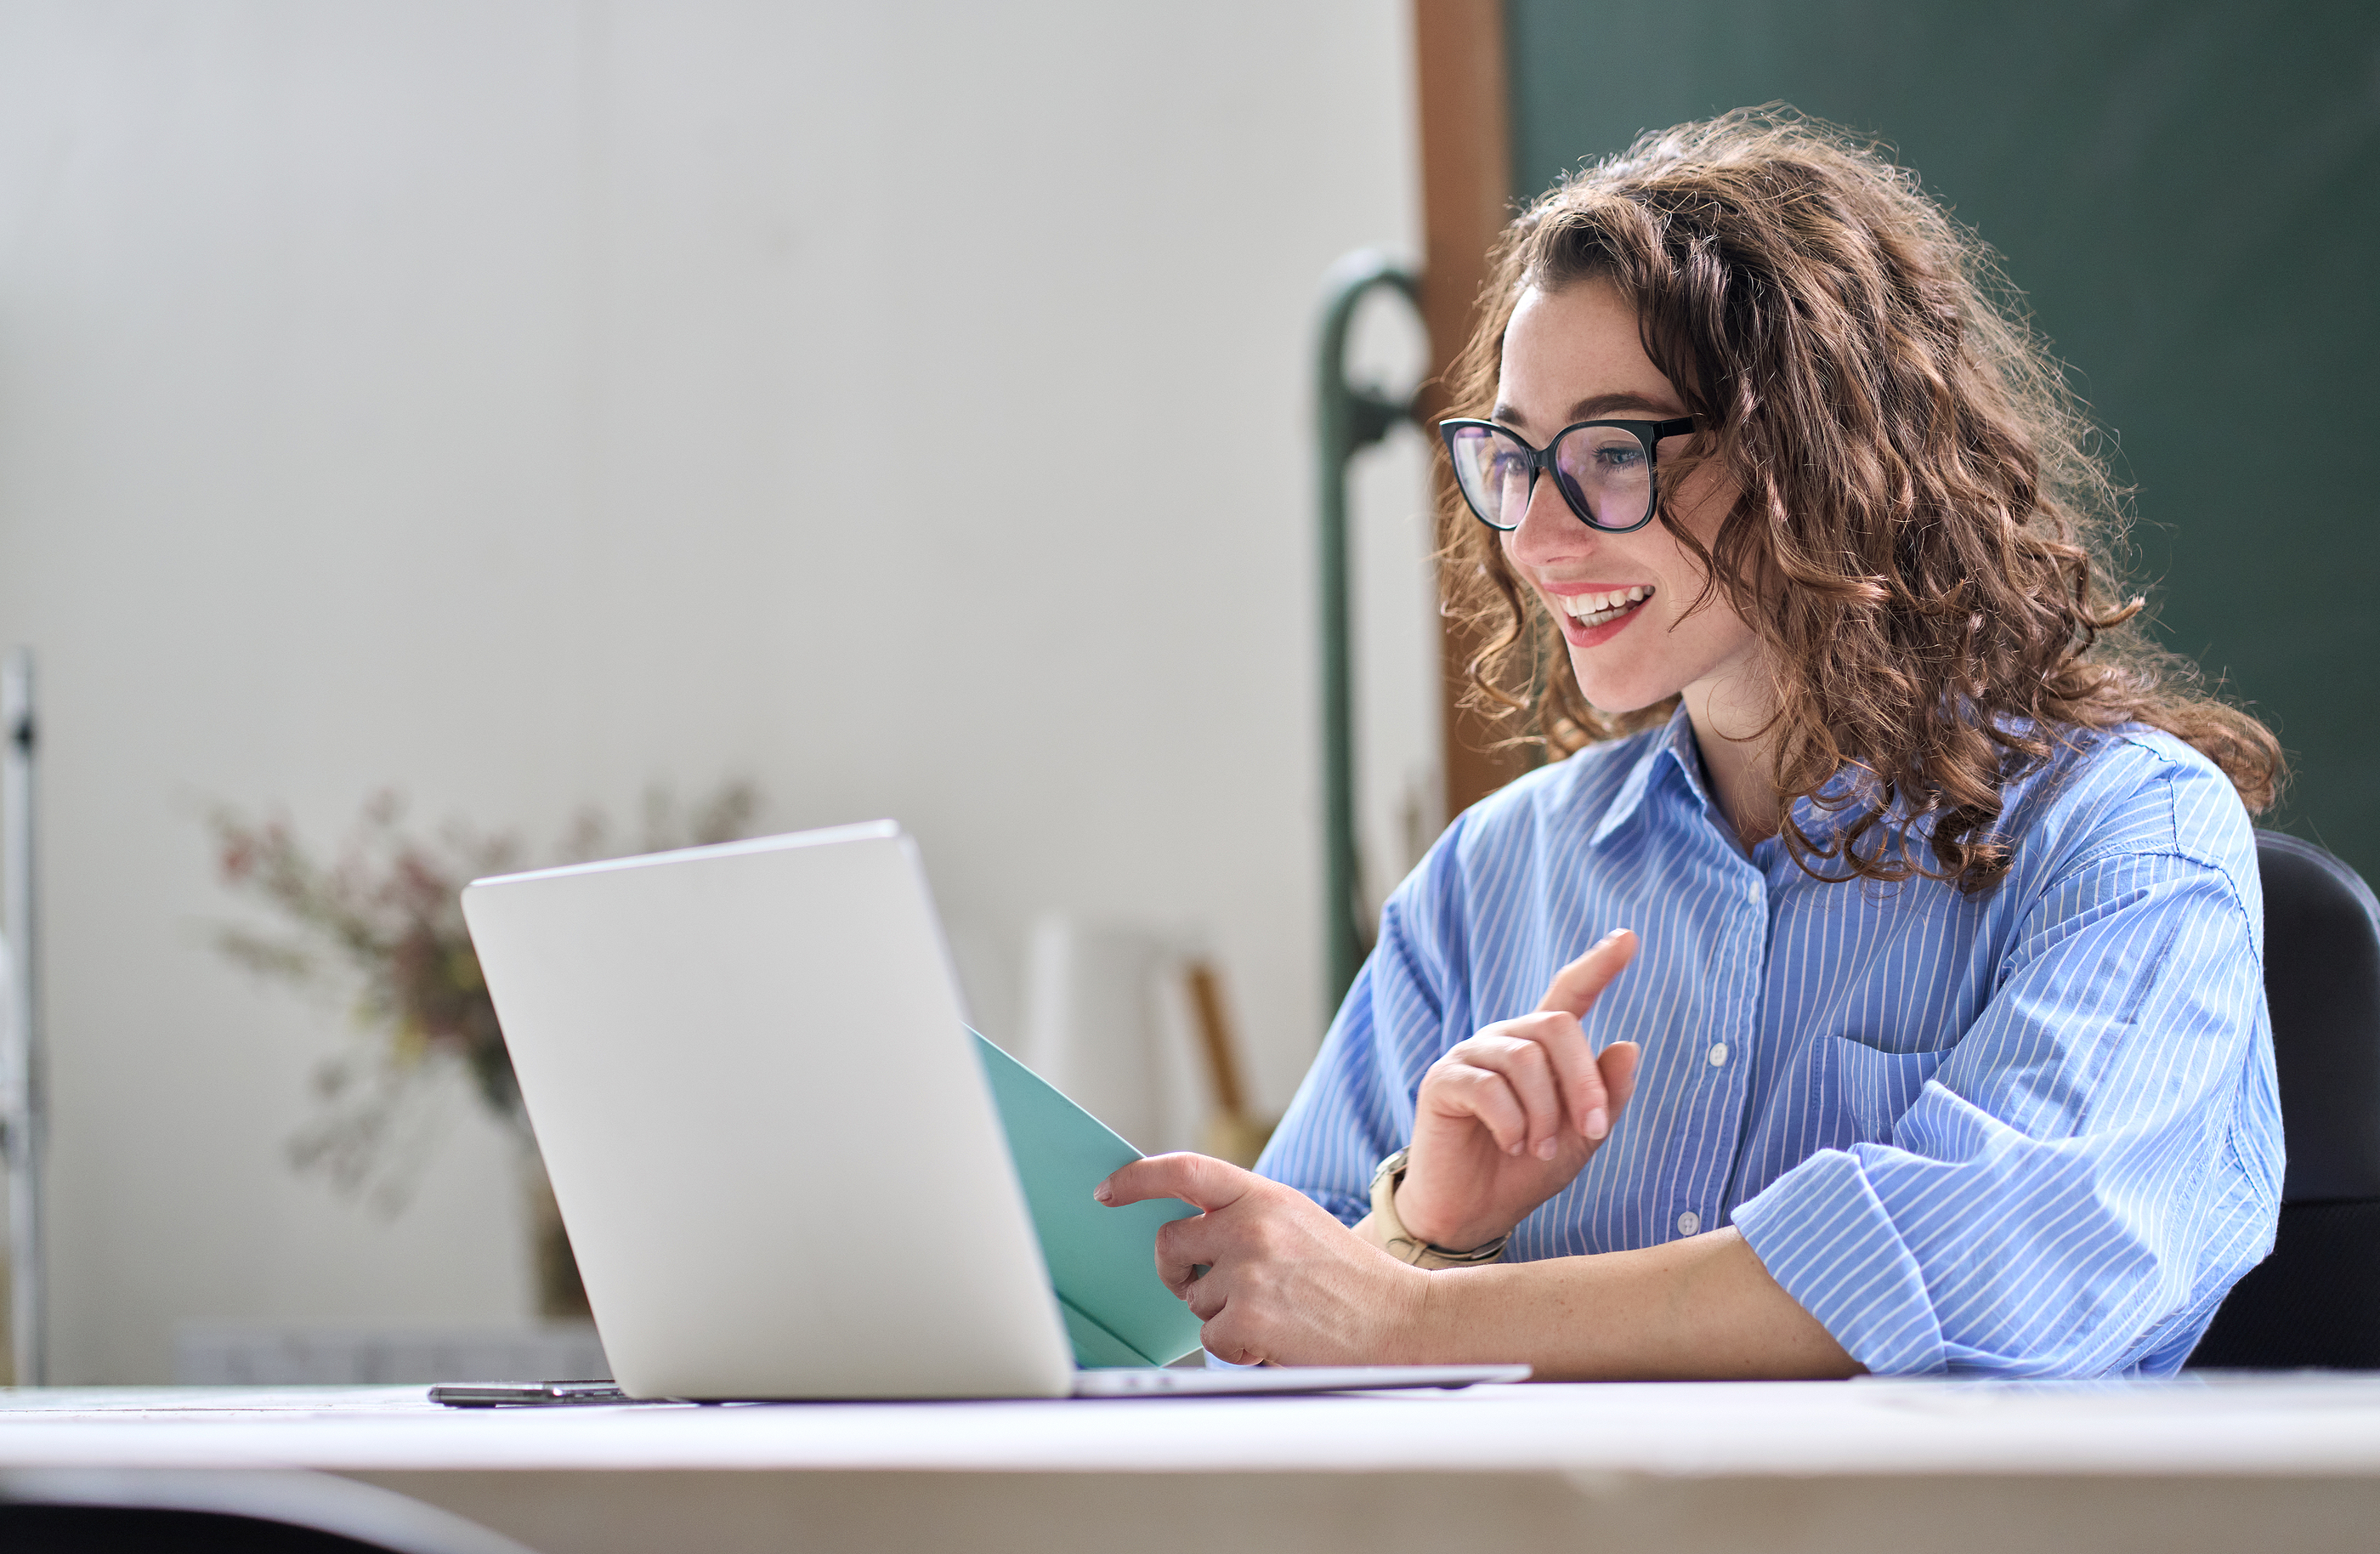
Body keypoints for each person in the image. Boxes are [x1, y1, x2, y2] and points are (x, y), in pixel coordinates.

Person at [1096, 110, 2285, 1379]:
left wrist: (1411, 1322)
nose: (1539, 541)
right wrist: (1421, 1238)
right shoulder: (1490, 877)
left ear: (1814, 458)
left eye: (1612, 454)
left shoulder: (2131, 836)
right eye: (1513, 458)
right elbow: (1254, 1334)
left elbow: (1990, 1264)